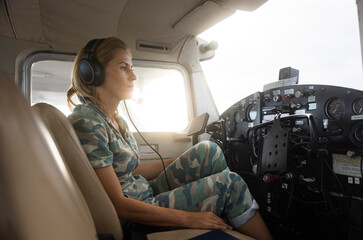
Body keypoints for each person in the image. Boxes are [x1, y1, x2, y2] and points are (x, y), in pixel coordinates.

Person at [67, 36, 272, 240]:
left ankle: (230, 213)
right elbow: (118, 205)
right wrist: (190, 218)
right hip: (136, 214)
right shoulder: (88, 122)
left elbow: (129, 170)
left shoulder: (115, 119)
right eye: (123, 67)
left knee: (207, 151)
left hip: (143, 191)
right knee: (230, 184)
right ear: (93, 73)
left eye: (132, 68)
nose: (133, 76)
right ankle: (231, 205)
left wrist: (178, 160)